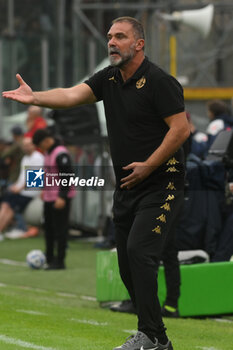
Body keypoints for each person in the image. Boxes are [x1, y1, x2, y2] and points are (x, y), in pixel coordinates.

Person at [2, 16, 190, 350]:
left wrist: (149, 165)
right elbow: (72, 94)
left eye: (120, 36)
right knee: (126, 263)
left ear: (139, 44)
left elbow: (181, 129)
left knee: (139, 252)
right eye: (109, 37)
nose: (112, 42)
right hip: (128, 185)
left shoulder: (160, 81)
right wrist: (36, 99)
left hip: (163, 183)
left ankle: (149, 335)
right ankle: (158, 338)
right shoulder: (109, 79)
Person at [32, 128, 76, 270]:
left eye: (40, 145)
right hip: (49, 197)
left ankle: (60, 260)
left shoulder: (61, 153)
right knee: (48, 228)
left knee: (60, 230)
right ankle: (49, 257)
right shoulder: (47, 152)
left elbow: (67, 176)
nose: (40, 149)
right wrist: (43, 189)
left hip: (60, 198)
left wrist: (62, 197)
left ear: (46, 141)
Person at [0, 137, 44, 241]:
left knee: (9, 206)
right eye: (24, 145)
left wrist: (19, 189)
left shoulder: (38, 158)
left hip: (30, 192)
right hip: (21, 190)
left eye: (28, 145)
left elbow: (34, 180)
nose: (26, 147)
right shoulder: (25, 158)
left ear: (34, 145)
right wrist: (15, 186)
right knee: (5, 204)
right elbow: (22, 176)